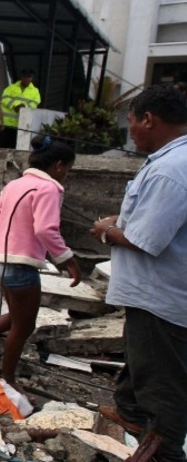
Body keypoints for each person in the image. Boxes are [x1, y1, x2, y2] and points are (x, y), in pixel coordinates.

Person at [90, 84, 187, 461]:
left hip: (160, 298)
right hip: (155, 295)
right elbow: (153, 216)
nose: (129, 132)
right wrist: (121, 219)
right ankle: (130, 415)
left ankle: (162, 452)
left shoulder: (170, 170)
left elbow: (145, 240)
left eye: (130, 122)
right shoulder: (171, 162)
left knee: (161, 387)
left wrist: (107, 231)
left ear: (148, 119)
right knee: (141, 364)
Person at [0, 135, 82, 391]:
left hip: (0, 260)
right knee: (24, 327)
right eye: (67, 168)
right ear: (59, 166)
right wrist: (68, 260)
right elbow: (45, 229)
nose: (66, 174)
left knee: (15, 317)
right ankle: (8, 380)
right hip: (22, 264)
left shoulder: (15, 184)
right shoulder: (49, 188)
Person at [0, 69, 41, 149]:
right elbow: (4, 98)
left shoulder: (35, 91)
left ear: (32, 78)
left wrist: (24, 107)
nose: (27, 79)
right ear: (21, 77)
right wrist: (15, 105)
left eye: (29, 77)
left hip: (21, 124)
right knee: (3, 147)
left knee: (16, 148)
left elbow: (35, 103)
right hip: (7, 124)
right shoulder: (11, 87)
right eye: (25, 76)